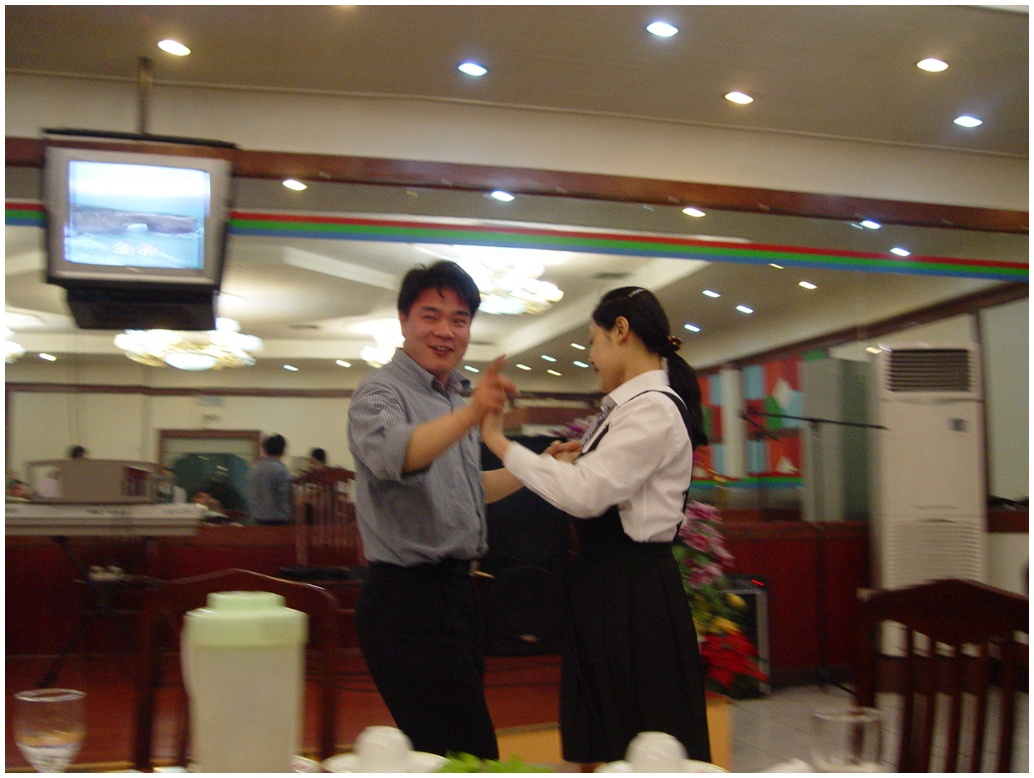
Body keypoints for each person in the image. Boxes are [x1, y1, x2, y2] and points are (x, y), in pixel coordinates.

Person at [480, 286, 712, 766]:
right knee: (608, 736)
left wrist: (498, 442)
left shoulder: (653, 408)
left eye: (592, 341)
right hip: (610, 585)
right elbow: (597, 486)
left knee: (644, 745)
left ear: (620, 331)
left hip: (634, 591)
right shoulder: (626, 409)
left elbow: (587, 495)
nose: (590, 356)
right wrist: (565, 464)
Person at [347, 260, 524, 760]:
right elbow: (397, 455)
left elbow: (468, 490)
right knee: (465, 754)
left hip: (459, 596)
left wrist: (538, 469)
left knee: (450, 756)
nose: (446, 331)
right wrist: (473, 414)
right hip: (406, 601)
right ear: (403, 320)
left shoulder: (454, 397)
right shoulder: (379, 392)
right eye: (431, 316)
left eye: (459, 319)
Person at [246, 433, 294, 525]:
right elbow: (287, 497)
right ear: (283, 451)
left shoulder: (253, 470)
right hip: (278, 523)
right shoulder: (282, 471)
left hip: (256, 521)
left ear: (265, 450)